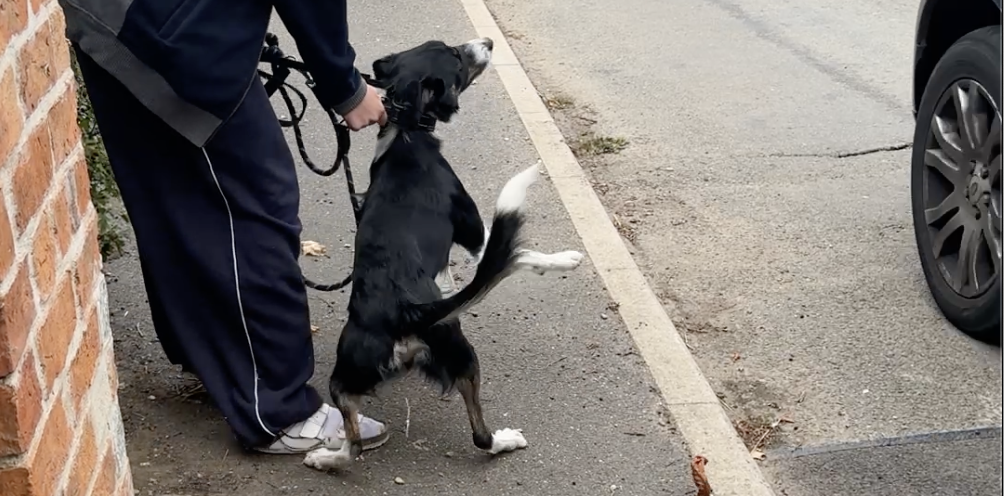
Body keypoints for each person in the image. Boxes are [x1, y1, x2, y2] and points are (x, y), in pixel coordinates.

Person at [58, 0, 391, 454]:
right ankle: (278, 408)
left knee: (176, 197)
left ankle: (214, 360)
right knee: (256, 202)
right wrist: (346, 86)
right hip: (169, 33)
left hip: (118, 17)